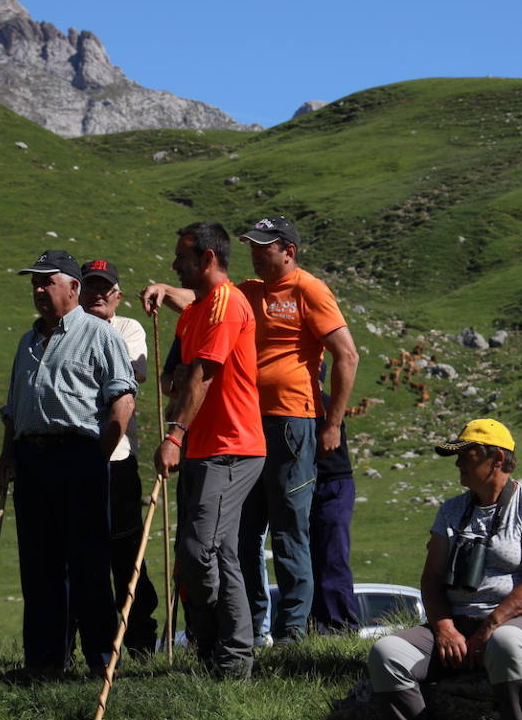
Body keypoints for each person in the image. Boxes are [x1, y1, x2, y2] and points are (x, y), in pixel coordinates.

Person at [143, 215, 360, 645]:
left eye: (265, 247)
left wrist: (331, 423)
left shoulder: (309, 290)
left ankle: (293, 634)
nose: (256, 254)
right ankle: (255, 629)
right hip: (249, 423)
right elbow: (203, 296)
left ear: (289, 251)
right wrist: (167, 291)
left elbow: (346, 354)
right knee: (244, 530)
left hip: (293, 419)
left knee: (288, 528)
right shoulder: (249, 291)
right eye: (252, 246)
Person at [367, 419, 522, 720]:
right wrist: (443, 627)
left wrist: (491, 625)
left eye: (467, 456)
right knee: (387, 653)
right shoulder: (452, 510)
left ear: (498, 459)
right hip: (457, 622)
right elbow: (431, 578)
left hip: (521, 620)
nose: (458, 465)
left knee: (505, 643)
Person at [0, 249, 137, 679]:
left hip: (80, 454)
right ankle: (44, 662)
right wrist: (7, 453)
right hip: (32, 458)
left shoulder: (100, 334)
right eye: (34, 283)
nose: (38, 290)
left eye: (46, 282)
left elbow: (122, 398)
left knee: (89, 563)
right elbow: (15, 406)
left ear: (73, 288)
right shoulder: (28, 340)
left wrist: (99, 455)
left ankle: (101, 661)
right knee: (39, 565)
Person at [144, 222, 265, 678]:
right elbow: (176, 374)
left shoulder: (227, 305)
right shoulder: (196, 311)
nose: (175, 264)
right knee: (208, 552)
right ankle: (220, 654)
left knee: (203, 550)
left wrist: (174, 434)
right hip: (203, 448)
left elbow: (203, 375)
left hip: (232, 447)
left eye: (182, 256)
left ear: (208, 259)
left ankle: (228, 651)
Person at [79, 258, 158, 655]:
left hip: (117, 456)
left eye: (104, 289)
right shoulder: (61, 330)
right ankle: (88, 641)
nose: (96, 295)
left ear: (117, 296)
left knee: (126, 550)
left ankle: (140, 637)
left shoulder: (128, 328)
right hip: (75, 454)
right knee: (78, 550)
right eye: (89, 287)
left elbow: (130, 374)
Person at [309, 374, 359, 632]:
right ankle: (319, 623)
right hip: (316, 486)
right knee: (314, 557)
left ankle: (340, 624)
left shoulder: (325, 405)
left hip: (332, 484)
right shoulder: (313, 404)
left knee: (331, 556)